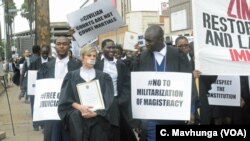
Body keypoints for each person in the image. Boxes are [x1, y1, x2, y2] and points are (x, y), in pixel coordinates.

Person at [134, 25, 196, 141]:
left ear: (160, 39)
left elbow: (189, 83)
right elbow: (137, 87)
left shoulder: (178, 54)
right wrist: (137, 118)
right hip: (151, 116)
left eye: (149, 41)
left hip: (175, 113)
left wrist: (191, 110)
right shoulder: (142, 57)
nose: (146, 43)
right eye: (146, 40)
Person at [58, 44, 116, 141]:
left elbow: (108, 100)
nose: (92, 58)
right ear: (82, 57)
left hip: (98, 119)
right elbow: (65, 98)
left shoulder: (104, 77)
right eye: (89, 55)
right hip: (78, 119)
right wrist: (80, 107)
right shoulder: (71, 76)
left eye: (94, 56)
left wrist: (96, 113)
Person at [38, 36, 81, 141]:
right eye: (59, 44)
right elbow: (40, 91)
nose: (62, 46)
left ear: (69, 46)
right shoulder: (46, 67)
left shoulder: (77, 66)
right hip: (51, 112)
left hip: (71, 111)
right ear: (55, 46)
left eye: (65, 44)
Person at [94, 39, 137, 141]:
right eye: (108, 47)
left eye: (113, 47)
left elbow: (127, 84)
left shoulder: (120, 65)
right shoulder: (96, 63)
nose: (112, 50)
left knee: (115, 131)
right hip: (99, 103)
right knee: (101, 131)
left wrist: (120, 101)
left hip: (115, 102)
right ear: (102, 48)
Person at [29, 44, 52, 131]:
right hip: (36, 88)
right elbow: (30, 76)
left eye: (46, 53)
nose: (45, 54)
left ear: (49, 52)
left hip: (48, 88)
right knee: (35, 105)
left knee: (45, 106)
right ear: (40, 52)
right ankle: (35, 124)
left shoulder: (53, 61)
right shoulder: (34, 63)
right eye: (43, 53)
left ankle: (44, 125)